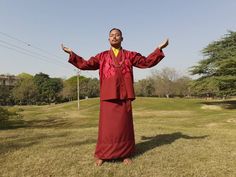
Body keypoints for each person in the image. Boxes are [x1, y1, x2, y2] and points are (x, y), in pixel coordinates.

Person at [61, 28, 169, 166]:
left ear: (122, 38)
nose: (114, 37)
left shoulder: (130, 55)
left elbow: (146, 62)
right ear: (108, 39)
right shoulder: (102, 56)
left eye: (117, 35)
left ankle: (126, 154)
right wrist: (71, 53)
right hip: (108, 96)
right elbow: (85, 64)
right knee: (106, 129)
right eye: (111, 35)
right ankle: (103, 154)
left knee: (124, 127)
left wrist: (158, 48)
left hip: (124, 96)